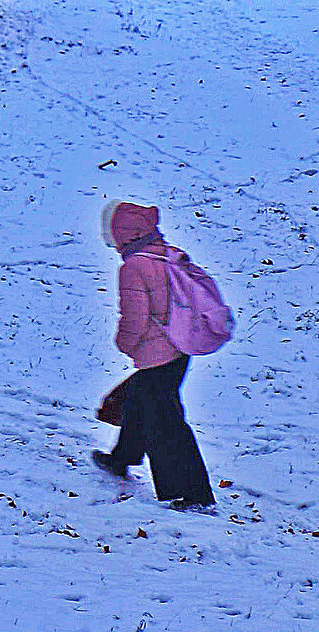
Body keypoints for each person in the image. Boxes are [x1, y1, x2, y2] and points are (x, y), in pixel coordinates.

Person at [91, 201, 216, 510]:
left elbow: (135, 318)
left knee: (166, 423)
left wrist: (124, 343)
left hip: (157, 354)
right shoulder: (166, 254)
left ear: (123, 233)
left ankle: (195, 495)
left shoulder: (134, 268)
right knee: (138, 400)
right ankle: (122, 458)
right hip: (179, 349)